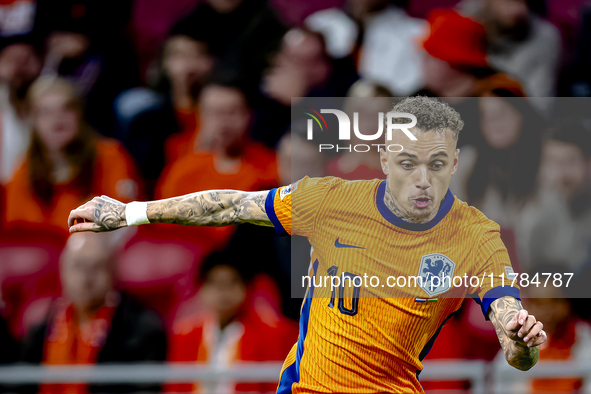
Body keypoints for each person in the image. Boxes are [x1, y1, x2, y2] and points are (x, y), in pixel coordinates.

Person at [68, 96, 547, 393]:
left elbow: (510, 327)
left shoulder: (476, 236)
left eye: (436, 163)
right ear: (383, 159)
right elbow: (230, 205)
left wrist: (521, 340)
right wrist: (130, 212)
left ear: (455, 162)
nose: (422, 180)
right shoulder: (327, 201)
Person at [21, 232, 167, 394]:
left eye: (96, 267)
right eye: (78, 266)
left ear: (113, 272)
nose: (86, 278)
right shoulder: (43, 329)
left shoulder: (142, 330)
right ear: (62, 271)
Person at [3, 76, 141, 232]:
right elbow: (15, 234)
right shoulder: (24, 170)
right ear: (33, 121)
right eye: (45, 112)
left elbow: (127, 223)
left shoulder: (110, 156)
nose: (57, 118)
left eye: (66, 108)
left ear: (79, 113)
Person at [165, 247, 298, 393]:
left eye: (232, 283)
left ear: (247, 288)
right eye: (215, 283)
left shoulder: (271, 335)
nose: (223, 292)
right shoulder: (184, 335)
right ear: (201, 289)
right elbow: (174, 388)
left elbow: (275, 387)